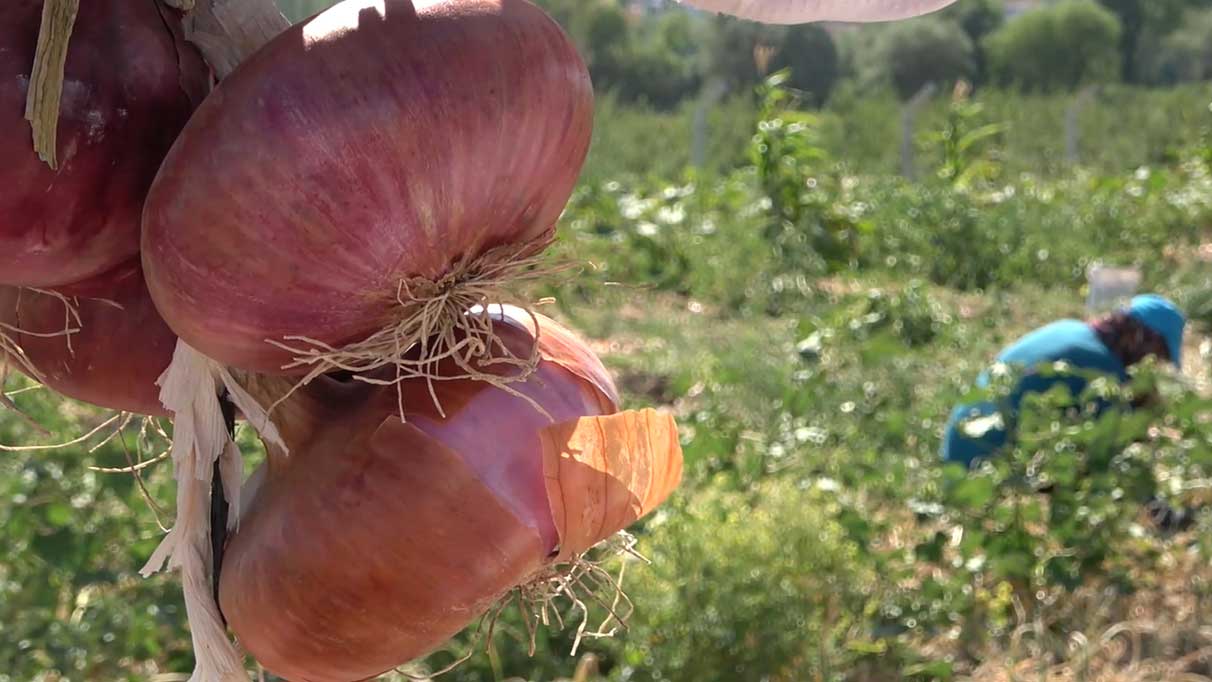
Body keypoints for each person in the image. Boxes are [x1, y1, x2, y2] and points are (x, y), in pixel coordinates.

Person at [942, 294, 1185, 469]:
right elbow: (1114, 454)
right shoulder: (1102, 368)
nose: (1152, 366)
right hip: (981, 468)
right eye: (1158, 356)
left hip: (955, 452)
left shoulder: (1070, 328)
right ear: (1141, 338)